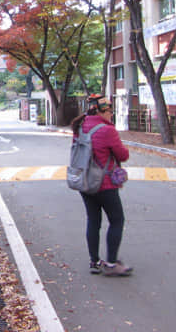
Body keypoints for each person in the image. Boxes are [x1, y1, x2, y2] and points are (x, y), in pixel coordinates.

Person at [70, 94, 133, 277]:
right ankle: (112, 263)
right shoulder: (107, 130)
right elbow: (122, 155)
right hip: (104, 184)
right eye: (109, 111)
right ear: (100, 110)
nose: (111, 114)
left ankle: (95, 261)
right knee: (117, 220)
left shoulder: (80, 127)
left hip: (85, 181)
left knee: (93, 221)